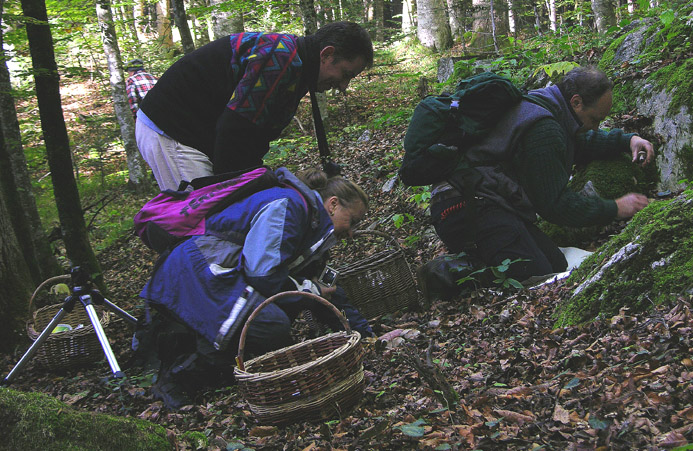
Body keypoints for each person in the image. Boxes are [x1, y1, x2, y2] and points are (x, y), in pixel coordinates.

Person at [138, 167, 373, 409]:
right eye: (352, 221)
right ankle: (177, 379)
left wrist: (364, 336)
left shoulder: (313, 224)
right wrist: (311, 290)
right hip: (198, 270)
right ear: (333, 204)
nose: (352, 232)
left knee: (279, 311)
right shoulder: (288, 206)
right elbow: (264, 276)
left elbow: (326, 289)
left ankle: (213, 361)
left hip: (215, 272)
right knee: (269, 324)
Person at [420, 66, 654, 300]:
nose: (595, 126)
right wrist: (615, 208)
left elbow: (579, 143)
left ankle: (485, 251)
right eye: (595, 119)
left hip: (484, 203)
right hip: (463, 208)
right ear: (576, 102)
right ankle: (443, 272)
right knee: (532, 273)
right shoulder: (544, 126)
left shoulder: (549, 107)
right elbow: (554, 205)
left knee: (555, 263)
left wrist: (628, 140)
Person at [135, 21, 374, 191]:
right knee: (205, 224)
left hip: (196, 132)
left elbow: (254, 134)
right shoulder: (280, 58)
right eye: (345, 74)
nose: (343, 86)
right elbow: (234, 132)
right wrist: (248, 189)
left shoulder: (298, 66)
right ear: (327, 54)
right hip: (172, 131)